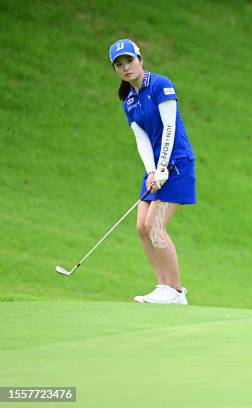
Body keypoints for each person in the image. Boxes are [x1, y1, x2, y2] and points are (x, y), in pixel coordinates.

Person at [109, 38, 196, 304]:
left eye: (130, 61)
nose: (126, 68)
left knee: (155, 226)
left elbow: (169, 127)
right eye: (119, 65)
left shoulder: (161, 85)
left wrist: (161, 169)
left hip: (177, 164)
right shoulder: (129, 100)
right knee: (141, 226)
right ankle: (163, 286)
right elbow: (141, 139)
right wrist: (150, 171)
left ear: (140, 59)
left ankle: (176, 291)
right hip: (156, 169)